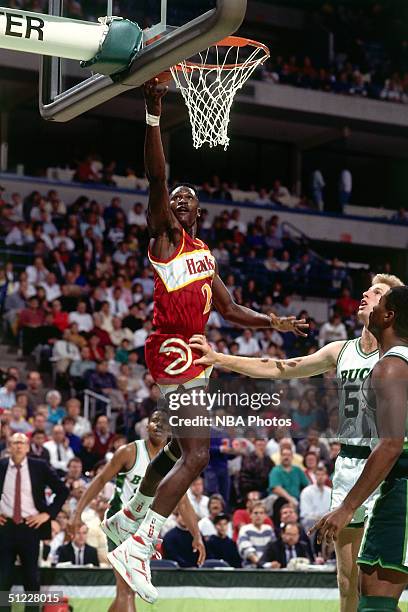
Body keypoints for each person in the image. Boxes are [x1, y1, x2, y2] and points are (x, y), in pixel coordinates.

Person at [105, 79, 307, 604]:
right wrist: (153, 114)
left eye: (187, 202)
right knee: (198, 455)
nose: (179, 203)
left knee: (176, 446)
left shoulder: (204, 254)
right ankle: (141, 543)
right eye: (174, 200)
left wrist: (276, 323)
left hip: (198, 353)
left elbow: (232, 309)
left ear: (199, 214)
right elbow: (156, 175)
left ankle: (130, 513)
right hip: (174, 349)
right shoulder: (166, 239)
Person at [190, 273, 403, 612]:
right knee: (347, 581)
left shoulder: (399, 357)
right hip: (349, 465)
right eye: (366, 289)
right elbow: (281, 368)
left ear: (391, 309)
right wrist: (220, 359)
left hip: (386, 467)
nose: (365, 294)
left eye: (376, 292)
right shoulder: (341, 350)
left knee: (380, 578)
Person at [313, 285, 408, 612]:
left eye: (379, 301)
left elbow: (392, 444)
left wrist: (345, 508)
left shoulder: (391, 366)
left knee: (373, 598)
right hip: (387, 482)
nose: (370, 304)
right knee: (370, 592)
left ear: (389, 315)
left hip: (399, 486)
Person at [70, 410, 205, 612]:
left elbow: (183, 502)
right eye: (155, 421)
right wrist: (77, 512)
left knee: (125, 591)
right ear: (146, 426)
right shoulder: (129, 452)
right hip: (121, 524)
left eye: (165, 423)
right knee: (127, 589)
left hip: (144, 532)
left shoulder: (174, 464)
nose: (159, 425)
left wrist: (197, 535)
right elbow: (100, 480)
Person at [0, 433, 68, 609]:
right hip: (5, 527)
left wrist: (47, 515)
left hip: (30, 527)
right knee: (3, 580)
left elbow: (62, 491)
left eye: (22, 442)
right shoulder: (1, 466)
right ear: (9, 446)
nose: (18, 446)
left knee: (31, 580)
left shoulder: (39, 466)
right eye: (15, 442)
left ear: (28, 447)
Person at [237, 502, 275, 567]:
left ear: (265, 516)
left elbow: (274, 549)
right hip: (250, 568)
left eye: (261, 513)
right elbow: (247, 551)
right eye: (255, 513)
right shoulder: (245, 529)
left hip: (268, 566)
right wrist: (262, 564)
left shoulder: (269, 529)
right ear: (250, 515)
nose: (258, 515)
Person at [300, 465, 332, 533]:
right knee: (309, 522)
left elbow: (332, 510)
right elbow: (305, 513)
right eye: (318, 474)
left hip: (326, 522)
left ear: (326, 476)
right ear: (314, 476)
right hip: (311, 522)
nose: (320, 477)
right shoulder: (306, 491)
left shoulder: (330, 492)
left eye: (322, 474)